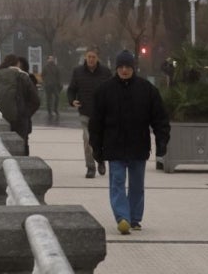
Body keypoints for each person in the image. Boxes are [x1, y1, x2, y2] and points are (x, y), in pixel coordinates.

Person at [89, 50, 170, 235]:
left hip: (138, 145)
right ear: (116, 68)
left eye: (127, 67)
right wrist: (97, 148)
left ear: (133, 68)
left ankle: (134, 218)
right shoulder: (104, 91)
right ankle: (122, 217)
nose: (124, 70)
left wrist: (162, 141)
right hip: (114, 146)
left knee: (136, 184)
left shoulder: (147, 90)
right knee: (117, 182)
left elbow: (160, 119)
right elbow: (96, 123)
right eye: (121, 67)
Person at [67, 47, 112, 178]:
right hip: (85, 112)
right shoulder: (78, 72)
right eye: (89, 57)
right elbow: (71, 89)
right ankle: (90, 166)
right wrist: (72, 101)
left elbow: (112, 90)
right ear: (85, 57)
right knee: (87, 140)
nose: (91, 59)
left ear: (97, 58)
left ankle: (101, 160)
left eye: (93, 57)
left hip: (101, 113)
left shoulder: (106, 72)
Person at [0, 55, 40, 154]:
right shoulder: (23, 76)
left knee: (3, 147)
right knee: (21, 147)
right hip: (21, 120)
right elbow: (36, 101)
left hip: (1, 119)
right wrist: (26, 113)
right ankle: (22, 167)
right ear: (17, 64)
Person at [42, 55, 62, 121]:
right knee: (48, 98)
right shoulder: (45, 67)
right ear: (47, 60)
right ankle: (49, 111)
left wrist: (59, 83)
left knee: (57, 96)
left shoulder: (56, 67)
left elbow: (59, 76)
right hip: (48, 85)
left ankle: (55, 109)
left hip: (55, 85)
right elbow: (43, 75)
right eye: (50, 58)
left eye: (52, 58)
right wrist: (45, 82)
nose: (51, 60)